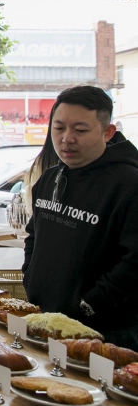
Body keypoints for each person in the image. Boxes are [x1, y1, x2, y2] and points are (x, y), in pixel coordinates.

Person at [22, 85, 138, 348]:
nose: (66, 138)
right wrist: (31, 278)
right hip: (44, 322)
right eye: (59, 127)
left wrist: (87, 306)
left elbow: (134, 265)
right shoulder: (50, 178)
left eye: (80, 130)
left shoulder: (129, 185)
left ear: (108, 132)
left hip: (105, 334)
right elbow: (34, 235)